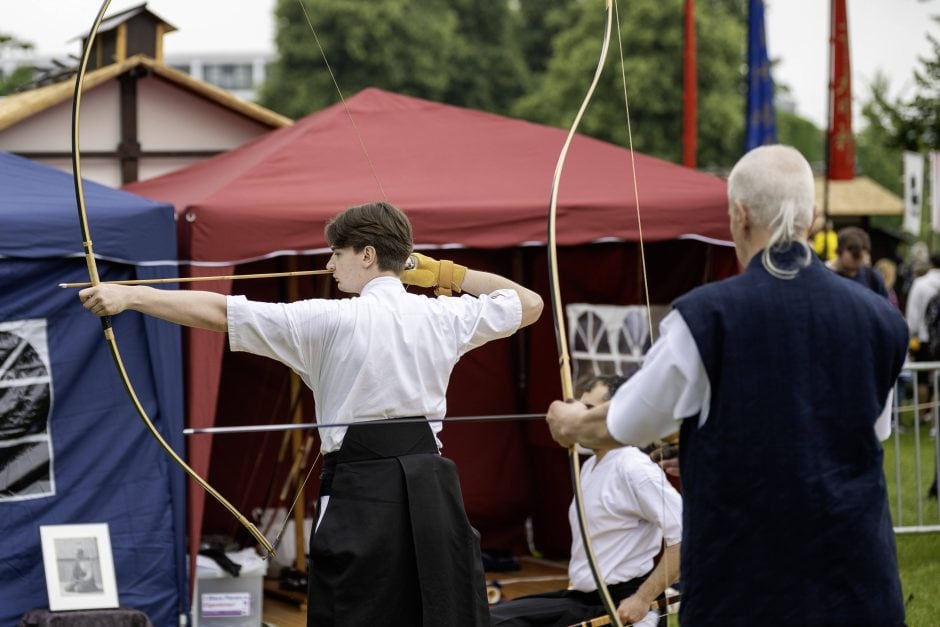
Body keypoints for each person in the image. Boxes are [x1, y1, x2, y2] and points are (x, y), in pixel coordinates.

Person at [79, 200, 543, 627]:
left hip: (364, 488)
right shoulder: (442, 316)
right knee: (437, 606)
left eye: (336, 254)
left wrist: (131, 297)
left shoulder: (328, 319)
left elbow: (220, 311)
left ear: (365, 254)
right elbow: (528, 304)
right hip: (432, 486)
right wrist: (440, 272)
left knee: (355, 609)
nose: (328, 264)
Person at [546, 145, 908, 626]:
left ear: (739, 215)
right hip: (859, 583)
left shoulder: (706, 316)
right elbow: (850, 434)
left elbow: (620, 424)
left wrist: (571, 422)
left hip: (748, 590)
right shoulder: (882, 319)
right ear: (814, 218)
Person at [490, 375, 681, 627]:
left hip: (621, 607)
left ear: (616, 415)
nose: (581, 420)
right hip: (582, 600)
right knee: (489, 617)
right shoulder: (590, 464)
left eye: (591, 411)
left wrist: (642, 598)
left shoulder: (635, 468)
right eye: (580, 409)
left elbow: (684, 536)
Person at [826, 226, 889, 297]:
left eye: (864, 255)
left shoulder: (872, 278)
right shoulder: (824, 276)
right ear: (838, 251)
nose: (860, 260)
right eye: (855, 255)